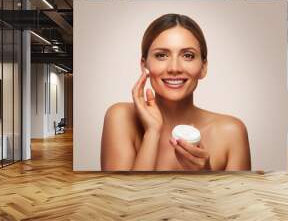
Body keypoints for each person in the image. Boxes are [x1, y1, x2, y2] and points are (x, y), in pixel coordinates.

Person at [101, 13, 250, 171]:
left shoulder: (232, 132)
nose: (174, 68)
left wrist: (206, 175)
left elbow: (236, 196)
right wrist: (152, 133)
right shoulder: (121, 117)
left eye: (187, 55)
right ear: (144, 66)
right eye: (161, 55)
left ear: (203, 67)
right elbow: (122, 194)